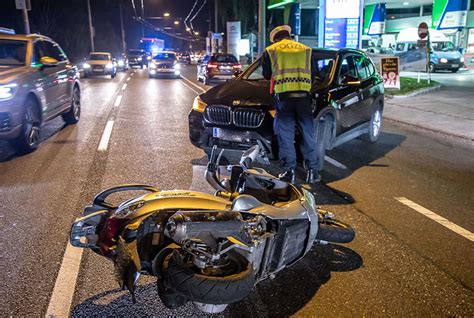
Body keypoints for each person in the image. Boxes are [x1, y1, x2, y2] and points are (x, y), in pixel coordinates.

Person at [262, 25, 320, 184]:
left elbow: (267, 75)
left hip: (284, 99)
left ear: (276, 38)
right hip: (304, 98)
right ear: (289, 35)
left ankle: (290, 172)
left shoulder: (271, 50)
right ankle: (312, 171)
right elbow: (314, 74)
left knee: (285, 135)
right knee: (307, 133)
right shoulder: (306, 49)